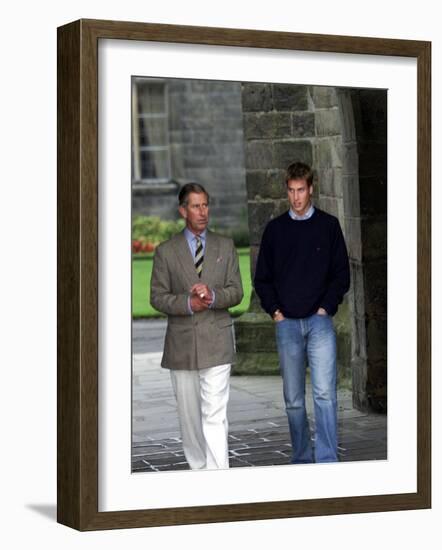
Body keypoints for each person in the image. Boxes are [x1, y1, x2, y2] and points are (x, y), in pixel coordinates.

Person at [254, 162, 350, 464]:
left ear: (311, 189)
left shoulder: (329, 226)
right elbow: (262, 279)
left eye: (301, 190)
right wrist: (276, 313)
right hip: (287, 325)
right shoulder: (275, 230)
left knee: (324, 395)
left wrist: (325, 309)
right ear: (288, 191)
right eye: (291, 191)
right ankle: (302, 458)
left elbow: (341, 275)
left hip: (319, 322)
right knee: (294, 400)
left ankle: (327, 460)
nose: (296, 197)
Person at [150, 183, 243, 470]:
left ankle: (218, 480)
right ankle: (199, 473)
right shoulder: (166, 252)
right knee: (190, 419)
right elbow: (157, 297)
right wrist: (188, 303)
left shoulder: (225, 246)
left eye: (205, 205)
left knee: (215, 414)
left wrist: (213, 296)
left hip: (217, 342)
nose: (203, 212)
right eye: (195, 206)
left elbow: (237, 291)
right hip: (182, 346)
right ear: (182, 210)